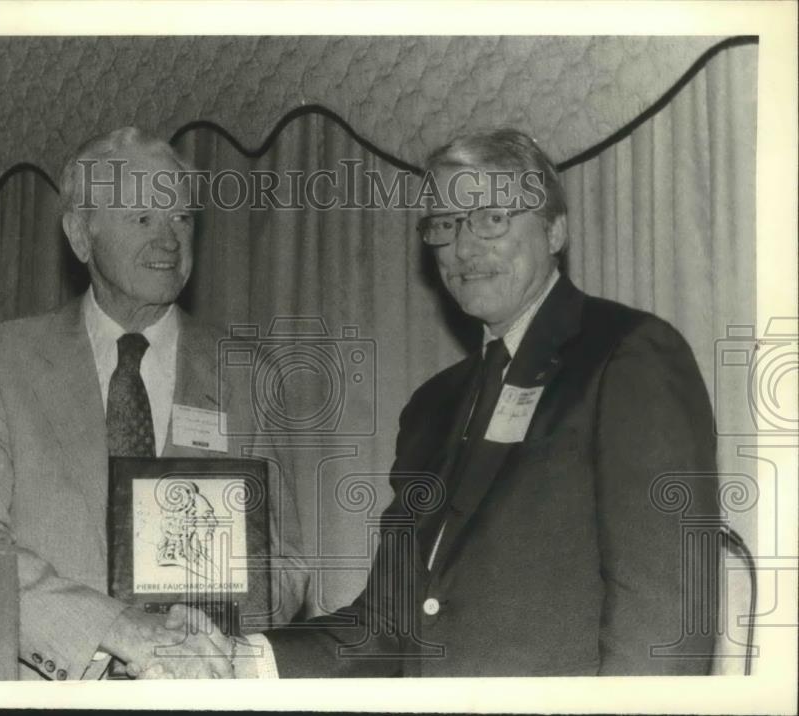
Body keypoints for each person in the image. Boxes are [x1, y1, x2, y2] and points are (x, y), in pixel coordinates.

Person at [249, 128, 718, 677]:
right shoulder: (432, 406)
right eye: (445, 225)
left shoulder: (627, 355)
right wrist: (240, 659)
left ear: (555, 230)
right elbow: (385, 625)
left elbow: (665, 619)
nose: (464, 248)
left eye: (492, 218)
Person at [0, 126, 307, 680]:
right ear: (81, 235)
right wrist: (118, 631)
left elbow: (286, 564)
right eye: (142, 218)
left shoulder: (245, 375)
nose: (169, 240)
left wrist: (197, 639)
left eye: (181, 218)